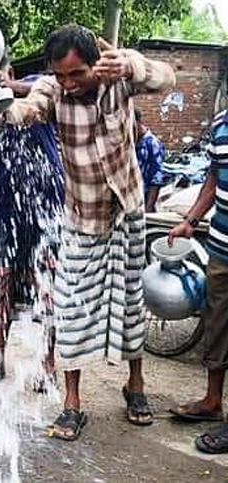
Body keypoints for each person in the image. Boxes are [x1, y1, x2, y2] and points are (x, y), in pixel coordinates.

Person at [0, 25, 175, 441]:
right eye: (60, 75)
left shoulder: (118, 76)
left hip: (129, 209)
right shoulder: (52, 90)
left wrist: (132, 65)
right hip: (82, 216)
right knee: (71, 309)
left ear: (97, 63)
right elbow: (23, 111)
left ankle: (136, 385)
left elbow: (166, 76)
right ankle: (72, 404)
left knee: (132, 302)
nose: (68, 84)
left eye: (76, 74)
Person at [0, 54, 65, 390]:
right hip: (4, 209)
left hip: (46, 205)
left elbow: (49, 90)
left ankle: (47, 366)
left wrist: (7, 86)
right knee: (2, 285)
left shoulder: (36, 88)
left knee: (48, 287)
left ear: (7, 70)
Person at [167, 108, 228, 454]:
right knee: (216, 324)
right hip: (221, 246)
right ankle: (212, 401)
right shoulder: (220, 124)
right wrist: (190, 220)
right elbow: (213, 180)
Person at [134, 109, 166, 212]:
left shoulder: (153, 144)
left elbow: (156, 180)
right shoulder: (130, 142)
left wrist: (148, 209)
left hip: (144, 199)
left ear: (138, 122)